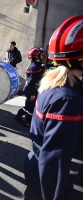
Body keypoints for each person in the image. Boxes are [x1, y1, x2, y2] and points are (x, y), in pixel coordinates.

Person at [24, 15, 83, 200]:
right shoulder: (67, 100)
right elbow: (55, 163)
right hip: (51, 176)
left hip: (37, 164)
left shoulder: (54, 82)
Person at [14, 47, 43, 127]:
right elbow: (32, 82)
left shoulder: (36, 65)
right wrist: (33, 94)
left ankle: (18, 116)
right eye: (41, 55)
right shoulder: (35, 67)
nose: (42, 56)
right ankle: (28, 122)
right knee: (32, 107)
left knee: (29, 105)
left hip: (29, 89)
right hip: (31, 90)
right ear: (37, 56)